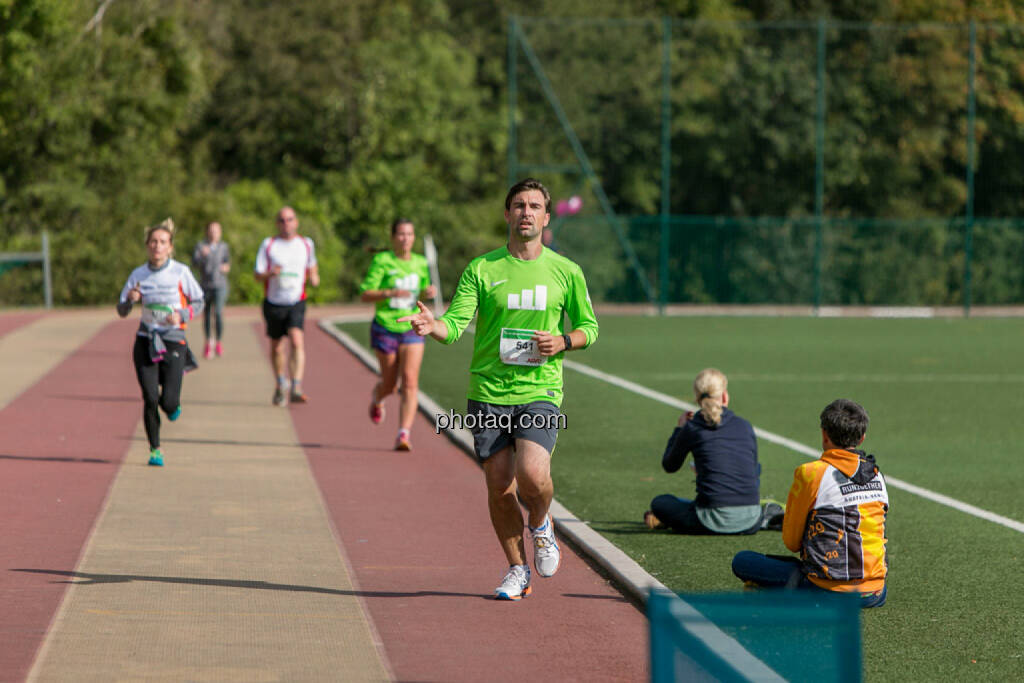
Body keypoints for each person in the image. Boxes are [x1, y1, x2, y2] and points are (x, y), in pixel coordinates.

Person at [399, 178, 599, 601]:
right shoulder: (482, 268)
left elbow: (589, 328)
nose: (526, 212)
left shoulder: (566, 271)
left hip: (539, 388)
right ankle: (517, 569)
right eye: (519, 205)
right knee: (499, 486)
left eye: (534, 206)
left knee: (532, 475)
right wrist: (431, 325)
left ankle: (542, 523)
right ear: (507, 214)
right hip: (488, 390)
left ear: (547, 217)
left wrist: (563, 341)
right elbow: (453, 325)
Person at [731, 399, 889, 608]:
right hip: (875, 592)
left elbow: (791, 542)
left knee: (742, 561)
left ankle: (783, 595)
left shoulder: (812, 473)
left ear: (824, 435)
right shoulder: (877, 475)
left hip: (827, 589)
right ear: (862, 438)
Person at [643, 368, 779, 535]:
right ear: (724, 396)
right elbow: (754, 471)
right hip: (751, 520)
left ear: (697, 399)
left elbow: (669, 465)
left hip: (709, 522)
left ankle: (670, 520)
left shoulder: (692, 428)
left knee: (660, 503)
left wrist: (679, 429)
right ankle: (764, 516)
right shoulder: (745, 426)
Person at [117, 218, 204, 467]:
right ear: (147, 246)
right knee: (150, 397)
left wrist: (182, 315)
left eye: (162, 242)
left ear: (170, 247)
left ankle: (173, 403)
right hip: (146, 340)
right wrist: (130, 300)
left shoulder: (180, 272)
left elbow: (199, 301)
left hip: (174, 341)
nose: (157, 246)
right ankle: (155, 449)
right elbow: (121, 309)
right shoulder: (138, 275)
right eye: (153, 242)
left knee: (168, 403)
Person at [359, 218, 437, 451]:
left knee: (411, 382)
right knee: (391, 384)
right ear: (393, 237)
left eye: (410, 234)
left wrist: (427, 292)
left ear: (414, 238)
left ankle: (403, 434)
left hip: (411, 327)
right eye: (401, 234)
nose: (405, 238)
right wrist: (390, 292)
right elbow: (365, 294)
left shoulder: (421, 262)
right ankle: (378, 396)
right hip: (385, 326)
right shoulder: (382, 260)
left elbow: (421, 291)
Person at [254, 206, 319, 406]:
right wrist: (270, 273)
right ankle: (281, 381)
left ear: (296, 222)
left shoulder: (306, 244)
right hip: (274, 301)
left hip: (296, 300)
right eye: (282, 220)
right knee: (277, 347)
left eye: (290, 219)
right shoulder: (269, 244)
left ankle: (296, 385)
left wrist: (315, 276)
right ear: (277, 223)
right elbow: (257, 275)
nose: (286, 224)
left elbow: (312, 265)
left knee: (297, 339)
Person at [191, 221, 231, 359]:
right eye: (212, 230)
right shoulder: (201, 246)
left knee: (218, 313)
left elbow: (227, 262)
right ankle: (208, 342)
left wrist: (226, 267)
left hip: (220, 285)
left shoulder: (224, 246)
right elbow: (194, 263)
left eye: (217, 230)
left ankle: (219, 341)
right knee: (207, 314)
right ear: (207, 232)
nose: (214, 233)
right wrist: (202, 255)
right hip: (205, 286)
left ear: (220, 232)